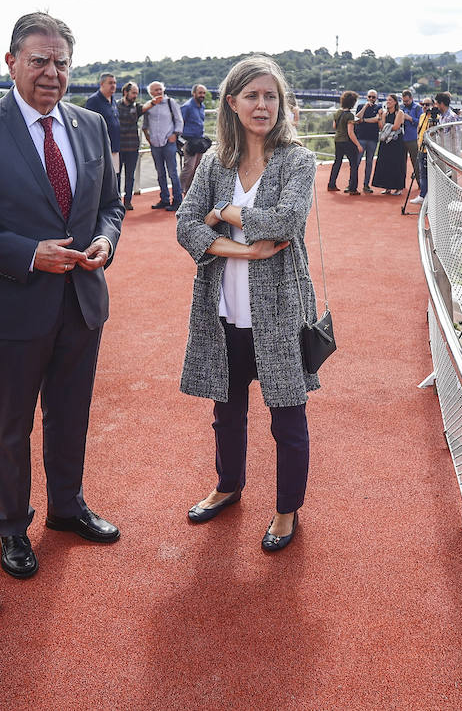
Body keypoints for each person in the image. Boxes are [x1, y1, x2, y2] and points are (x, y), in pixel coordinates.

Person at [0, 12, 125, 581]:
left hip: (82, 302)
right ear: (11, 62)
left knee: (71, 416)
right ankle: (12, 527)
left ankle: (67, 508)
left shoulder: (91, 125)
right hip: (16, 304)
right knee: (13, 424)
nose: (51, 72)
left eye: (61, 62)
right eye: (39, 60)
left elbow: (112, 207)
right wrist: (26, 252)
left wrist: (105, 243)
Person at [175, 55, 319, 552]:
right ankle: (228, 485)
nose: (263, 105)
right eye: (253, 96)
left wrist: (227, 213)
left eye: (271, 96)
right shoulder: (216, 161)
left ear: (281, 103)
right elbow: (184, 224)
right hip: (223, 313)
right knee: (226, 411)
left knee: (287, 417)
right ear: (232, 103)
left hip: (279, 313)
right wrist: (242, 247)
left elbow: (286, 222)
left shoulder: (298, 160)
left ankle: (286, 510)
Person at [141, 80, 184, 210]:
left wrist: (175, 135)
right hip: (155, 144)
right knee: (160, 173)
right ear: (151, 93)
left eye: (160, 89)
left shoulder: (171, 103)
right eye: (156, 90)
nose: (159, 92)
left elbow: (179, 120)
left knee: (172, 172)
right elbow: (145, 125)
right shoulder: (149, 106)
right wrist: (148, 138)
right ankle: (164, 199)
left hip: (168, 143)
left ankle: (177, 200)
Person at [85, 72, 121, 173]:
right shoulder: (94, 101)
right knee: (104, 179)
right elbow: (89, 127)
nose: (113, 85)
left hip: (114, 147)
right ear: (102, 84)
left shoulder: (113, 100)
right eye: (110, 83)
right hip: (101, 149)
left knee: (115, 177)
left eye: (114, 83)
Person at [326, 90, 362, 194]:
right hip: (347, 141)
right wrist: (358, 145)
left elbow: (334, 126)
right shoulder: (349, 115)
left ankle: (331, 184)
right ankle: (352, 188)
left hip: (338, 140)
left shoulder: (338, 112)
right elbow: (351, 132)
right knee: (353, 164)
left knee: (337, 162)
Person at [372, 93, 408, 194]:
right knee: (385, 163)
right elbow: (381, 126)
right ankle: (387, 186)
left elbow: (396, 126)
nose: (388, 102)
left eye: (390, 100)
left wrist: (386, 127)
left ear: (395, 102)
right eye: (387, 100)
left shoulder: (399, 113)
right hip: (386, 142)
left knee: (396, 164)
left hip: (396, 141)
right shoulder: (384, 114)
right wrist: (379, 117)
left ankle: (398, 187)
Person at [116, 80, 143, 211]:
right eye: (133, 93)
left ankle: (128, 201)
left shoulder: (136, 107)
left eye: (136, 93)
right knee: (116, 175)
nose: (135, 96)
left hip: (133, 147)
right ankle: (116, 201)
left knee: (129, 176)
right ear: (125, 92)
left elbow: (148, 106)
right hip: (118, 148)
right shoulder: (115, 107)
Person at [179, 83, 210, 191]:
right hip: (189, 143)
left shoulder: (202, 106)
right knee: (189, 168)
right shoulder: (187, 107)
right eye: (200, 92)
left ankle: (188, 193)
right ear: (194, 93)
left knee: (196, 169)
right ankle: (179, 192)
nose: (202, 95)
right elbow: (179, 123)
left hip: (199, 143)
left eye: (204, 93)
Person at [354, 89, 382, 193]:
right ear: (366, 97)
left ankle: (366, 185)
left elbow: (377, 119)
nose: (371, 99)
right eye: (369, 96)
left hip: (372, 139)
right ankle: (352, 184)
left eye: (373, 97)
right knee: (356, 161)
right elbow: (357, 118)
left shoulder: (378, 107)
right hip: (361, 138)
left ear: (376, 98)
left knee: (369, 163)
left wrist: (365, 120)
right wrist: (365, 106)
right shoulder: (361, 106)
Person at [400, 89, 426, 185]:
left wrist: (409, 118)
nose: (405, 103)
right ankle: (400, 184)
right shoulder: (401, 108)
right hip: (402, 137)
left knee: (416, 162)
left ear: (411, 98)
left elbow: (420, 122)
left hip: (413, 138)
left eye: (407, 101)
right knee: (401, 163)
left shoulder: (417, 108)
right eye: (404, 101)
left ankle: (420, 184)